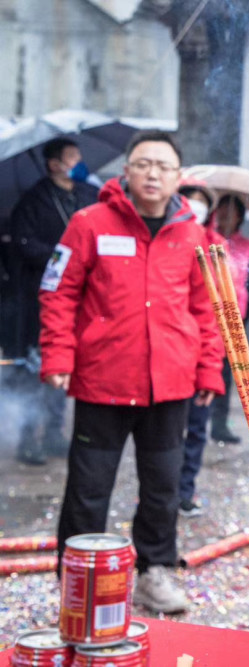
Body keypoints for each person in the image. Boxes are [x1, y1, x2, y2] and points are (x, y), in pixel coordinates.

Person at [39, 130, 224, 614]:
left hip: (170, 385)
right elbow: (58, 292)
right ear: (126, 171)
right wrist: (58, 357)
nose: (153, 174)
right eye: (143, 164)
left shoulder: (191, 231)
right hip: (103, 380)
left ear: (178, 178)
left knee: (162, 487)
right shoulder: (89, 223)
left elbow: (205, 308)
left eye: (163, 166)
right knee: (88, 488)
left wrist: (209, 370)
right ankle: (77, 578)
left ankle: (154, 573)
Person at [5, 138, 99, 465]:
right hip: (40, 298)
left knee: (67, 365)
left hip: (83, 299)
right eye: (73, 157)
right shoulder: (33, 200)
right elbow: (23, 244)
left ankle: (55, 433)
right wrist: (62, 257)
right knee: (37, 367)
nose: (79, 161)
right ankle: (28, 438)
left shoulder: (89, 196)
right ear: (54, 164)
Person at [176, 180, 222, 518]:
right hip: (172, 353)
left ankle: (184, 490)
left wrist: (211, 364)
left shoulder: (216, 246)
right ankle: (163, 492)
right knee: (163, 436)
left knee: (196, 428)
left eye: (201, 202)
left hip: (204, 349)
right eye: (188, 200)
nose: (196, 207)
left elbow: (216, 309)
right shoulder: (167, 242)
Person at [206, 194, 249, 445]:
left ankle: (219, 424)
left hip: (233, 321)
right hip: (205, 319)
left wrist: (243, 318)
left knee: (227, 375)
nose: (226, 216)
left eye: (232, 212)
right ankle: (195, 421)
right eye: (222, 211)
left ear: (240, 217)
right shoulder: (204, 240)